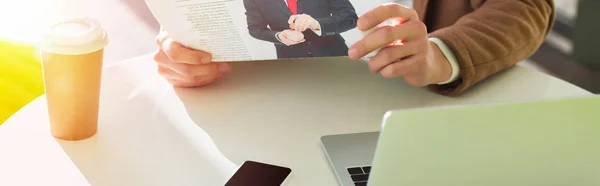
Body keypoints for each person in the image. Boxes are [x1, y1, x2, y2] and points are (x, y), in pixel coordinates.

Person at [153, 0, 555, 95]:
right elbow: (242, 22)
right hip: (275, 98)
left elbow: (526, 6)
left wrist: (443, 53)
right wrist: (185, 42)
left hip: (410, 104)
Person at [242, 0, 358, 59]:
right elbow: (255, 28)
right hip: (291, 63)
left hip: (334, 54)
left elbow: (350, 17)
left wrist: (316, 24)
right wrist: (278, 36)